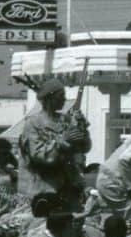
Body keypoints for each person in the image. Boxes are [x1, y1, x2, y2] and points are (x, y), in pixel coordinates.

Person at [18, 79, 91, 209]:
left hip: (68, 186)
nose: (64, 100)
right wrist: (62, 142)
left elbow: (83, 148)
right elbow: (39, 155)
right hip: (43, 187)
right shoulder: (33, 123)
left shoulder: (66, 120)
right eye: (60, 97)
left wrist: (82, 129)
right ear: (50, 99)